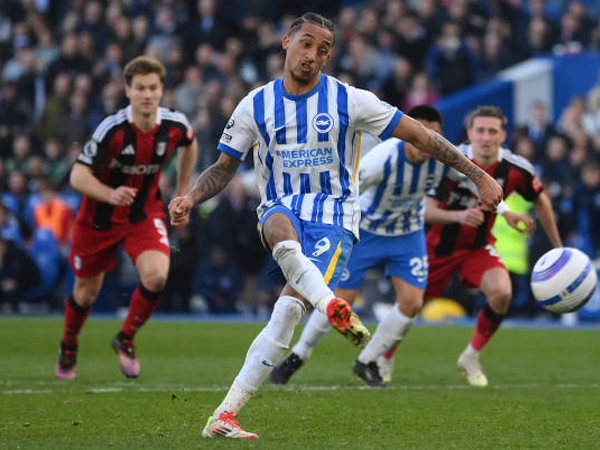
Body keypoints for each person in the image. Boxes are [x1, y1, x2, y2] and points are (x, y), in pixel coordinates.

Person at [169, 13, 502, 439]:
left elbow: (420, 135)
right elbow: (223, 166)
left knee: (287, 313)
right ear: (286, 41)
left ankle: (224, 415)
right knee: (278, 226)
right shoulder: (255, 104)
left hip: (335, 219)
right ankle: (331, 305)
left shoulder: (351, 100)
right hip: (281, 207)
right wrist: (191, 198)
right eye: (306, 44)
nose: (313, 55)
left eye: (323, 50)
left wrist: (477, 174)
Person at [269, 106, 529, 388]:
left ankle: (368, 361)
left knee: (412, 302)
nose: (425, 142)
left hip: (408, 233)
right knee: (342, 298)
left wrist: (505, 212)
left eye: (432, 136)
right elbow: (346, 192)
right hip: (367, 231)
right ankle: (300, 354)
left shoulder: (443, 157)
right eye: (418, 134)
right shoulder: (382, 159)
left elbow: (476, 181)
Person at [55, 56, 198, 380]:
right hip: (98, 218)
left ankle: (126, 338)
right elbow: (78, 176)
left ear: (162, 90)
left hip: (142, 213)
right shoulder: (113, 129)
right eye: (140, 88)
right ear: (128, 91)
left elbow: (190, 142)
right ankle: (68, 345)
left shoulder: (174, 125)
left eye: (153, 88)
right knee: (85, 294)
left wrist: (183, 192)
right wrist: (110, 194)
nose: (147, 94)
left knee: (157, 276)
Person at [424, 106, 562, 387]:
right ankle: (382, 357)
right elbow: (424, 211)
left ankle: (470, 356)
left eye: (492, 131)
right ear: (470, 133)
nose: (486, 137)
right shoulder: (448, 160)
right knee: (411, 305)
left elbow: (541, 199)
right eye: (481, 131)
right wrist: (461, 216)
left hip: (478, 247)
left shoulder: (517, 168)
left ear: (503, 135)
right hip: (437, 245)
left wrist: (558, 247)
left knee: (502, 293)